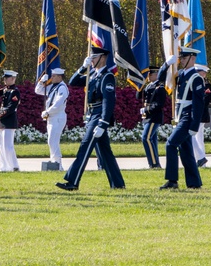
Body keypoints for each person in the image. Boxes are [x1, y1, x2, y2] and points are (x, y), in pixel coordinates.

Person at [55, 47, 125, 191]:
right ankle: (118, 184)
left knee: (84, 148)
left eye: (94, 58)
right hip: (92, 114)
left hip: (99, 117)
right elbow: (73, 82)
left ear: (103, 58)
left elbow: (108, 101)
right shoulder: (92, 73)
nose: (92, 60)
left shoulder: (107, 76)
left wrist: (103, 123)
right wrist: (83, 67)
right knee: (106, 153)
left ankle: (73, 182)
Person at [159, 47, 205, 190]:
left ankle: (172, 181)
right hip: (180, 117)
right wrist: (165, 65)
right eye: (181, 58)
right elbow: (160, 80)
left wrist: (194, 126)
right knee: (186, 151)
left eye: (184, 58)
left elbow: (198, 105)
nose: (181, 61)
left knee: (171, 144)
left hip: (187, 117)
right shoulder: (180, 75)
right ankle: (194, 183)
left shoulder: (196, 78)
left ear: (192, 58)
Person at [35, 67, 68, 169]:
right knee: (51, 140)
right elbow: (38, 91)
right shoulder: (53, 87)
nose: (52, 78)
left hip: (58, 117)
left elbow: (58, 103)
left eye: (53, 76)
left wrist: (47, 111)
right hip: (52, 117)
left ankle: (57, 163)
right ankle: (54, 162)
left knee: (53, 140)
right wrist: (41, 82)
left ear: (59, 77)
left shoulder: (62, 88)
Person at [137, 67, 166, 169]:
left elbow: (159, 104)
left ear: (156, 74)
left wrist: (146, 109)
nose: (148, 77)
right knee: (152, 140)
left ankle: (153, 164)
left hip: (154, 117)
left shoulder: (160, 87)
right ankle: (155, 163)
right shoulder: (149, 86)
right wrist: (139, 85)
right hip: (147, 117)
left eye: (150, 74)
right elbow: (138, 96)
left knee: (146, 138)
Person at [0, 70, 21, 172]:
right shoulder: (6, 90)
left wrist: (0, 114)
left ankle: (14, 166)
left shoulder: (15, 92)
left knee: (7, 145)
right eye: (4, 78)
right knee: (1, 145)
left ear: (13, 79)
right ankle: (4, 166)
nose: (5, 80)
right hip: (2, 121)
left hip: (9, 120)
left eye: (7, 78)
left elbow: (11, 107)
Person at [192, 67, 211, 167]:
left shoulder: (207, 85)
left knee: (198, 137)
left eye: (199, 72)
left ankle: (201, 159)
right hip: (196, 114)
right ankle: (199, 159)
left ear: (204, 73)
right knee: (196, 137)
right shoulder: (195, 84)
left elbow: (205, 101)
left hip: (201, 115)